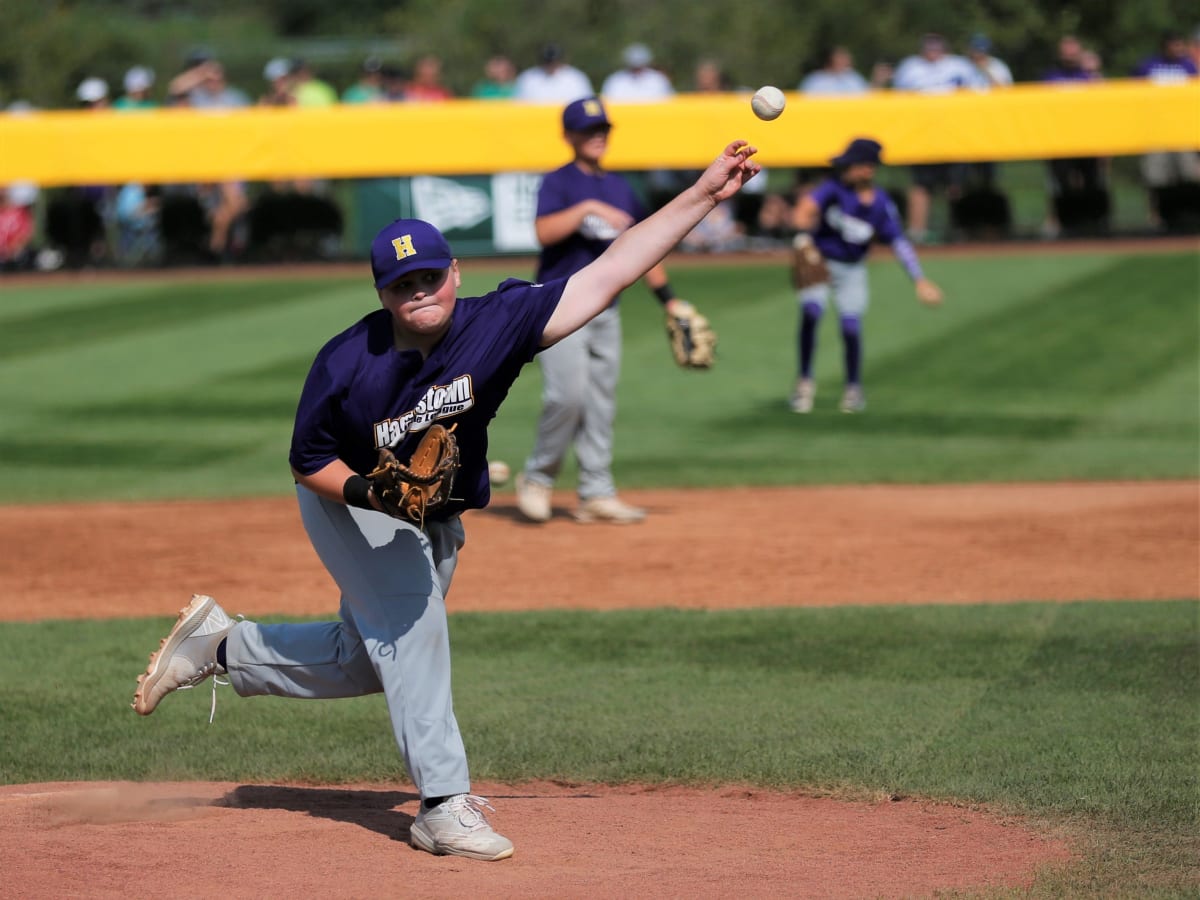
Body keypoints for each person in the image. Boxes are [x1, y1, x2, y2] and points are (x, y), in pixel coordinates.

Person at [130, 138, 762, 862]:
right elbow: (308, 461)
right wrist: (371, 491)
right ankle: (440, 805)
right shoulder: (345, 364)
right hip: (350, 500)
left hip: (434, 511)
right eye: (402, 284)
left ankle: (220, 646)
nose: (419, 291)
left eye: (430, 276)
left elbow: (612, 268)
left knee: (369, 660)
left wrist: (706, 193)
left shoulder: (500, 322)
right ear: (382, 294)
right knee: (416, 625)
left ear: (456, 273)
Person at [513, 97, 706, 524]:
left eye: (603, 129)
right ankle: (538, 478)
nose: (597, 136)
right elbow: (545, 232)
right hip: (559, 305)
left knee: (601, 401)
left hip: (607, 310)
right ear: (569, 136)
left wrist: (669, 299)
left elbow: (645, 250)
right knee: (568, 395)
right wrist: (585, 209)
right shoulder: (559, 183)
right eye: (588, 130)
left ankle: (595, 491)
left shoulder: (620, 188)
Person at [788, 137, 942, 414]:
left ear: (868, 169)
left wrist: (919, 279)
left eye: (853, 165)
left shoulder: (881, 203)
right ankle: (804, 382)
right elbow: (803, 212)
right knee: (811, 312)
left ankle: (853, 388)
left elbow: (898, 242)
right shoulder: (833, 189)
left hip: (852, 269)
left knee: (850, 327)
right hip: (820, 263)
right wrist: (803, 237)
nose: (846, 170)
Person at [890, 33, 984, 243]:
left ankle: (957, 229)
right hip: (921, 136)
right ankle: (917, 231)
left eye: (937, 47)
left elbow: (979, 93)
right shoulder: (910, 67)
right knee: (921, 184)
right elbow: (897, 101)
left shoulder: (959, 65)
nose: (933, 52)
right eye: (929, 47)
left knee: (956, 186)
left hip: (956, 135)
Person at [1130, 31, 1200, 230]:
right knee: (1156, 176)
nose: (1178, 49)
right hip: (1155, 130)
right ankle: (1156, 216)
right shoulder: (1148, 66)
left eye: (1180, 45)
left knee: (1187, 174)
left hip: (1182, 131)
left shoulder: (1188, 66)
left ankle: (1186, 214)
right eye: (1174, 45)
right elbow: (1132, 94)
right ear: (1165, 46)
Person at [513, 43, 594, 103]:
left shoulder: (576, 78)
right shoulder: (528, 78)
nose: (551, 65)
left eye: (554, 61)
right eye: (548, 62)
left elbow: (587, 102)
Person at [600, 43, 674, 100]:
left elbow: (670, 101)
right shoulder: (615, 81)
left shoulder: (658, 80)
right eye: (634, 67)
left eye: (640, 67)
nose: (637, 71)